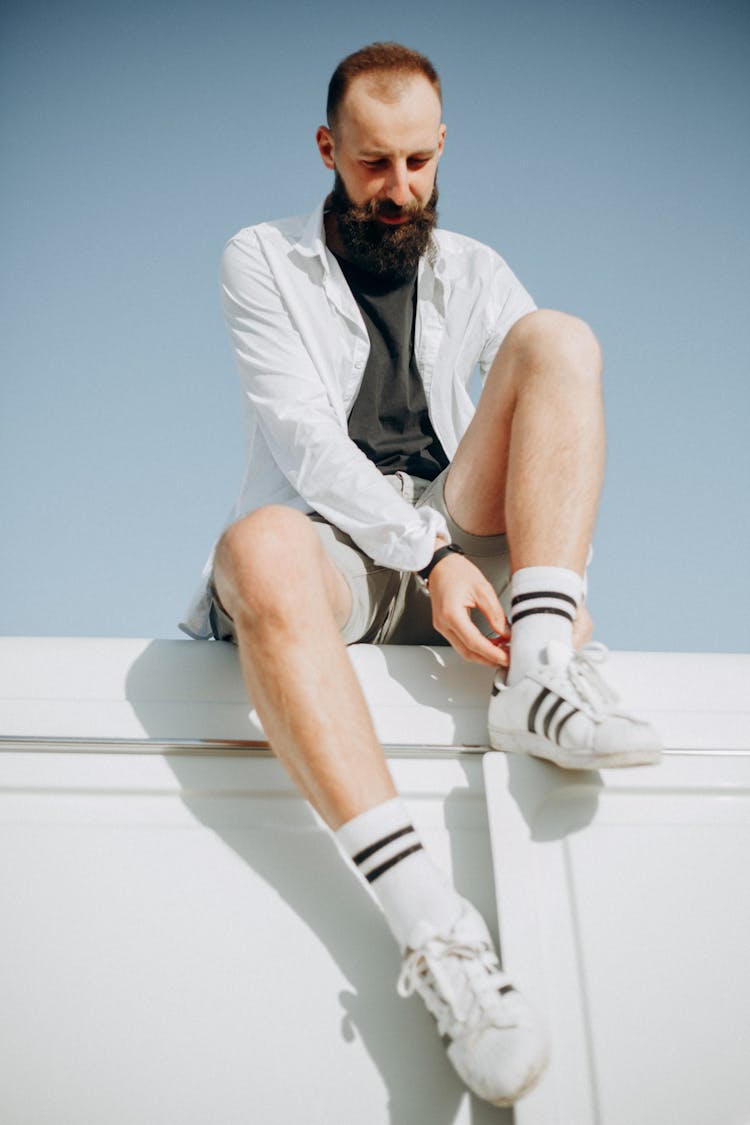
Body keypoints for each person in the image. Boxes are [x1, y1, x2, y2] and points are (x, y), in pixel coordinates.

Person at [181, 42, 662, 1108]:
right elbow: (306, 447)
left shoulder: (477, 270)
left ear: (442, 149)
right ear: (326, 150)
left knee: (558, 340)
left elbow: (552, 429)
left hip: (459, 537)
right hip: (339, 546)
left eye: (415, 164)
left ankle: (537, 679)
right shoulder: (259, 258)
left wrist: (548, 597)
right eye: (369, 165)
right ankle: (442, 940)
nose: (396, 193)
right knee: (257, 544)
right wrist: (434, 559)